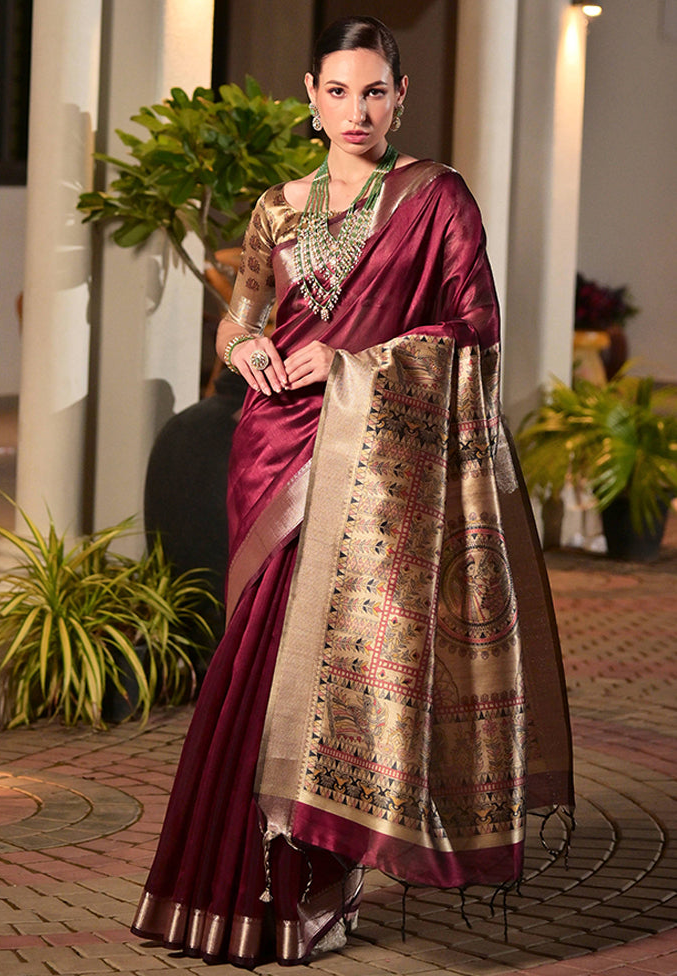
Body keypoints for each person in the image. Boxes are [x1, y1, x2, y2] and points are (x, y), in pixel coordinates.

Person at [132, 16, 574, 969]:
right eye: (339, 91)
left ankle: (318, 882)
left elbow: (473, 329)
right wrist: (245, 347)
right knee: (254, 662)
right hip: (271, 448)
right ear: (310, 94)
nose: (357, 110)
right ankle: (229, 889)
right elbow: (240, 320)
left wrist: (350, 361)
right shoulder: (275, 208)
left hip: (369, 464)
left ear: (401, 97)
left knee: (334, 669)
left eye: (375, 91)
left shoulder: (437, 201)